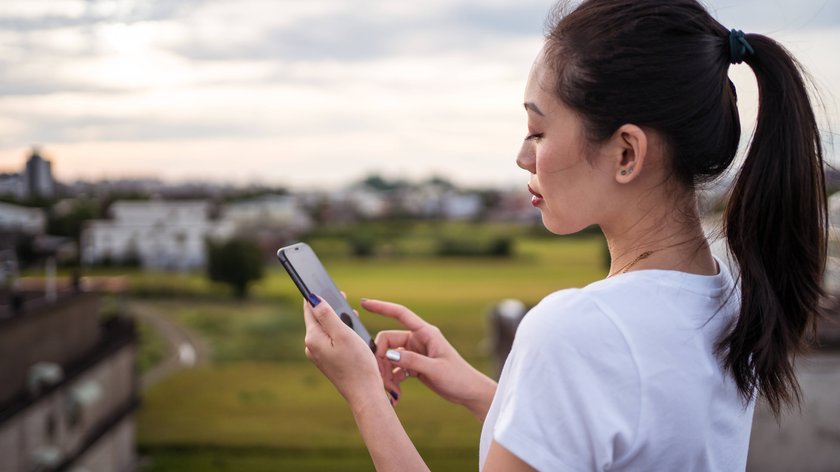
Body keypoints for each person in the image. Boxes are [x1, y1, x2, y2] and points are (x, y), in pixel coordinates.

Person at [300, 0, 827, 470]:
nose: (523, 156)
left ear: (626, 153)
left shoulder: (577, 331)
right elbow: (632, 439)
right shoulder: (730, 299)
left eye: (538, 131)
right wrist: (495, 396)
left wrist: (364, 394)